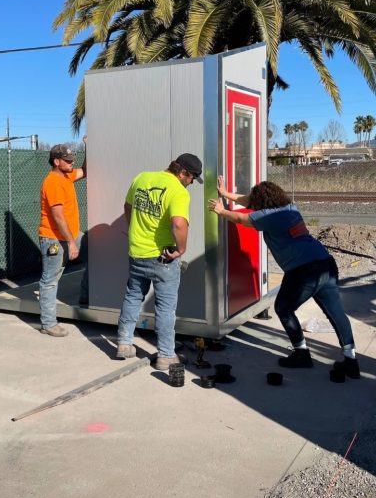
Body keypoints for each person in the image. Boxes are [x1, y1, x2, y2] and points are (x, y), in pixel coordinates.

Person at [208, 178, 359, 378]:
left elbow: (239, 219)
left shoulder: (268, 217)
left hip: (303, 270)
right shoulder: (289, 208)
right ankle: (351, 361)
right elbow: (247, 201)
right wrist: (226, 194)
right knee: (336, 312)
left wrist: (221, 210)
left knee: (284, 308)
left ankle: (301, 354)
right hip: (325, 263)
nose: (250, 202)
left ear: (261, 201)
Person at [116, 153, 203, 370]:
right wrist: (181, 249)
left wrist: (134, 230)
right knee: (165, 307)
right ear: (183, 173)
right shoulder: (178, 191)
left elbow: (127, 207)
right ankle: (165, 356)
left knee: (133, 296)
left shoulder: (142, 178)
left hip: (137, 252)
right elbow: (179, 224)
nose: (191, 182)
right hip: (163, 257)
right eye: (192, 178)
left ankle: (124, 344)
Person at [38, 137, 88, 337]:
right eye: (67, 160)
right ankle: (48, 324)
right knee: (50, 280)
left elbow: (85, 170)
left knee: (96, 252)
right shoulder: (52, 182)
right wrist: (71, 243)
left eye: (72, 159)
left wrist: (88, 146)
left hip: (71, 235)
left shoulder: (66, 177)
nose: (71, 163)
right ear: (56, 161)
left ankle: (85, 295)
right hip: (54, 239)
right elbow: (58, 217)